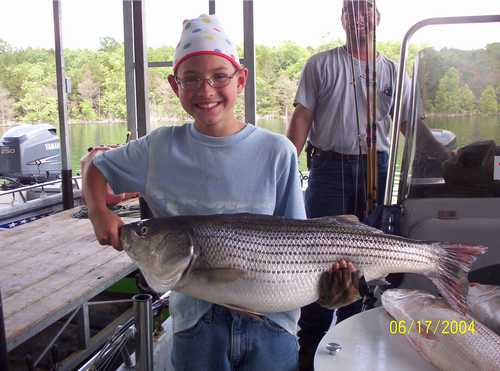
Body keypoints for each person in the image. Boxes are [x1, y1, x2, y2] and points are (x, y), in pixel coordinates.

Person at [83, 14, 361, 371]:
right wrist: (97, 211)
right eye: (191, 79)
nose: (206, 90)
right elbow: (94, 165)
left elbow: (301, 244)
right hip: (196, 331)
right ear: (174, 85)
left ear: (240, 79)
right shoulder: (158, 148)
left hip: (273, 328)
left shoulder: (277, 150)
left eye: (219, 76)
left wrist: (334, 294)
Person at [286, 1, 453, 370]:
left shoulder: (393, 71)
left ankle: (350, 345)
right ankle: (306, 349)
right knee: (316, 260)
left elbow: (413, 129)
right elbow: (302, 119)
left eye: (366, 9)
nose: (359, 17)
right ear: (343, 18)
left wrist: (450, 160)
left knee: (364, 265)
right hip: (328, 167)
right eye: (351, 10)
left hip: (375, 169)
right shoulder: (320, 65)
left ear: (376, 18)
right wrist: (281, 168)